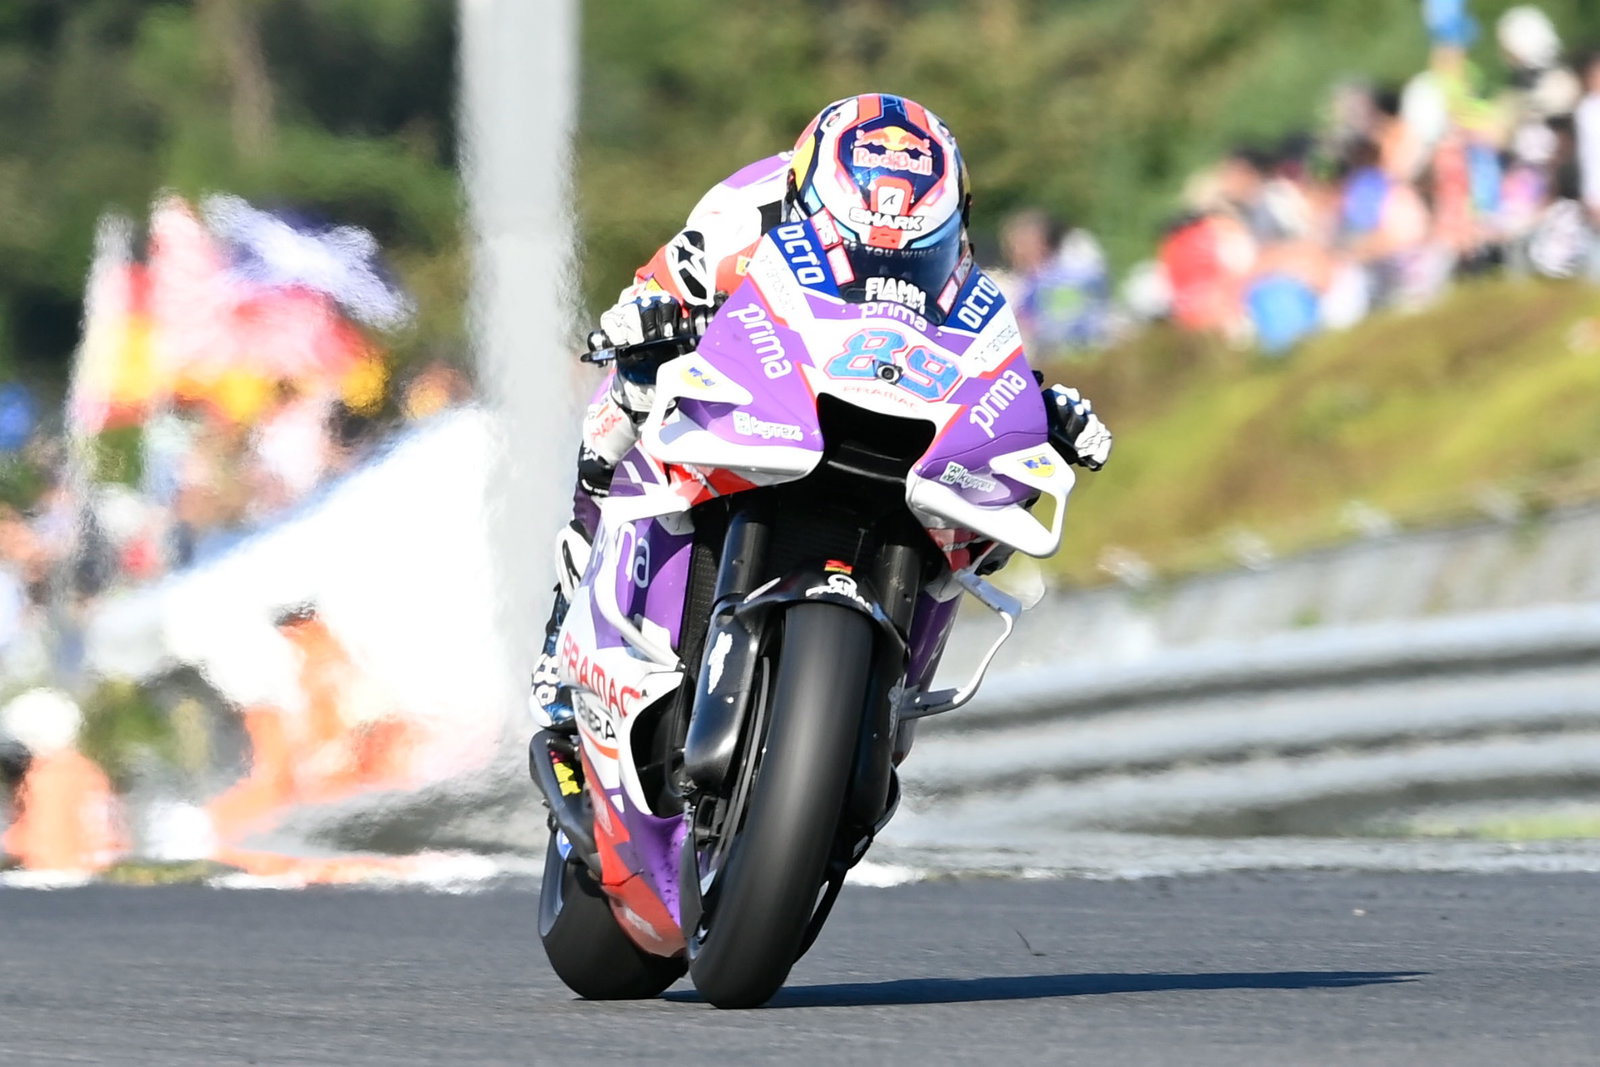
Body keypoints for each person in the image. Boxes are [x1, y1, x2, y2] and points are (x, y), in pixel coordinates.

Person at [528, 93, 1113, 728]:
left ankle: (888, 705)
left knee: (983, 518)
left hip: (883, 405)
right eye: (865, 244)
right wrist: (647, 323)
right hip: (764, 386)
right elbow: (647, 296)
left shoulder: (959, 262)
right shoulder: (739, 215)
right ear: (804, 193)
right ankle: (563, 627)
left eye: (915, 252)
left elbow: (994, 359)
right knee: (620, 398)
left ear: (954, 221)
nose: (890, 262)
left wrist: (1042, 414)